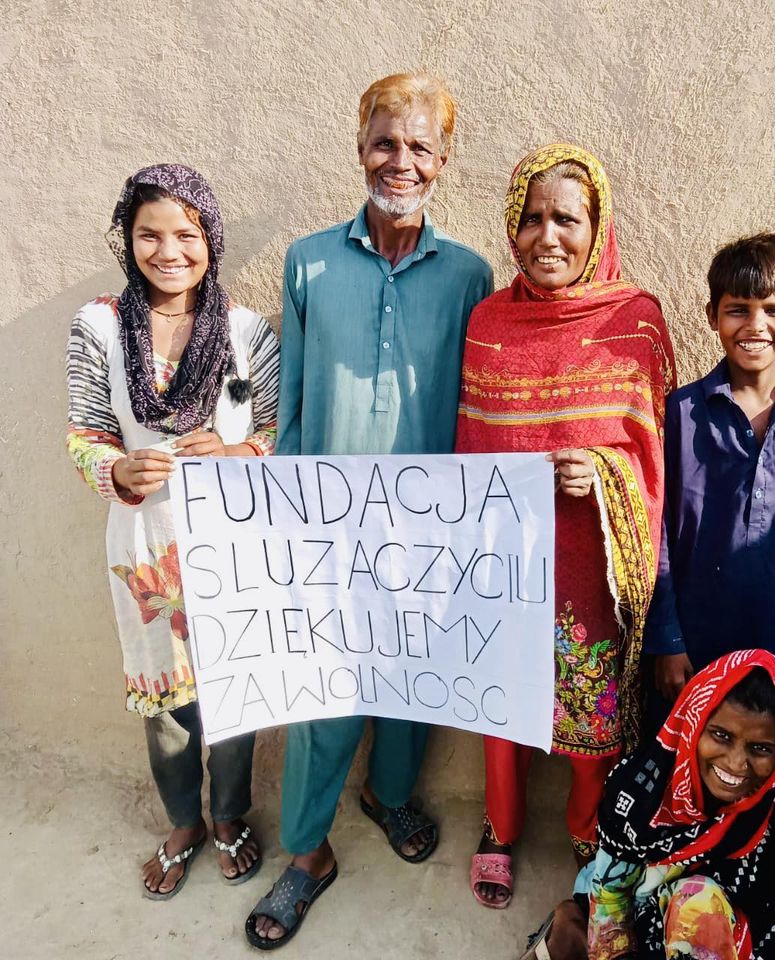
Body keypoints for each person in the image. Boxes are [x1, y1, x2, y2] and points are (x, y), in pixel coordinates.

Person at [246, 72, 493, 949]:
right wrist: (282, 510)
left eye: (420, 145)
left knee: (414, 679)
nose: (401, 160)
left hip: (431, 526)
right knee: (323, 693)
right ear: (360, 149)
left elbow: (476, 403)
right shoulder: (309, 261)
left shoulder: (469, 274)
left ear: (443, 161)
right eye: (386, 142)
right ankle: (307, 851)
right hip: (326, 525)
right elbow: (293, 400)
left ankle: (389, 796)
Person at [456, 143, 676, 909]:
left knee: (595, 708)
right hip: (507, 566)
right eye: (533, 218)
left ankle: (589, 829)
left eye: (567, 220)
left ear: (597, 227)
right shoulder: (488, 323)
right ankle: (499, 829)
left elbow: (657, 454)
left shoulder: (635, 322)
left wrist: (605, 474)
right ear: (512, 228)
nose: (548, 237)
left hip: (592, 565)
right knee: (500, 704)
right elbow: (469, 448)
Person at [65, 163, 280, 898]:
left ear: (210, 239)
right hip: (146, 546)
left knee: (236, 691)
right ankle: (184, 820)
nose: (168, 251)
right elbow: (85, 432)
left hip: (235, 546)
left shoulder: (247, 333)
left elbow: (278, 429)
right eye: (148, 234)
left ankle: (228, 814)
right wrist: (116, 469)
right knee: (165, 698)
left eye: (185, 234)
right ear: (127, 240)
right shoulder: (100, 326)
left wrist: (240, 450)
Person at [643, 233, 775, 733]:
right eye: (738, 310)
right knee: (690, 760)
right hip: (696, 642)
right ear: (713, 316)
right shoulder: (680, 413)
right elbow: (657, 533)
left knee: (769, 760)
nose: (755, 326)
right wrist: (666, 638)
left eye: (774, 310)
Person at [523, 650, 775, 960]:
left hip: (724, 940)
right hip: (639, 919)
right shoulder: (641, 790)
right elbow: (611, 897)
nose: (736, 763)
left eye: (760, 748)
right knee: (681, 903)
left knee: (698, 902)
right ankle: (569, 929)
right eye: (721, 735)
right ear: (695, 723)